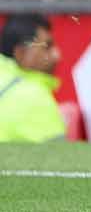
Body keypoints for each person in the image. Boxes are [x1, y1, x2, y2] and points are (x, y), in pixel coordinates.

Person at [0, 14, 64, 143]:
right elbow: (62, 160)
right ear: (21, 53)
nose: (57, 55)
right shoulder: (35, 97)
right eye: (47, 47)